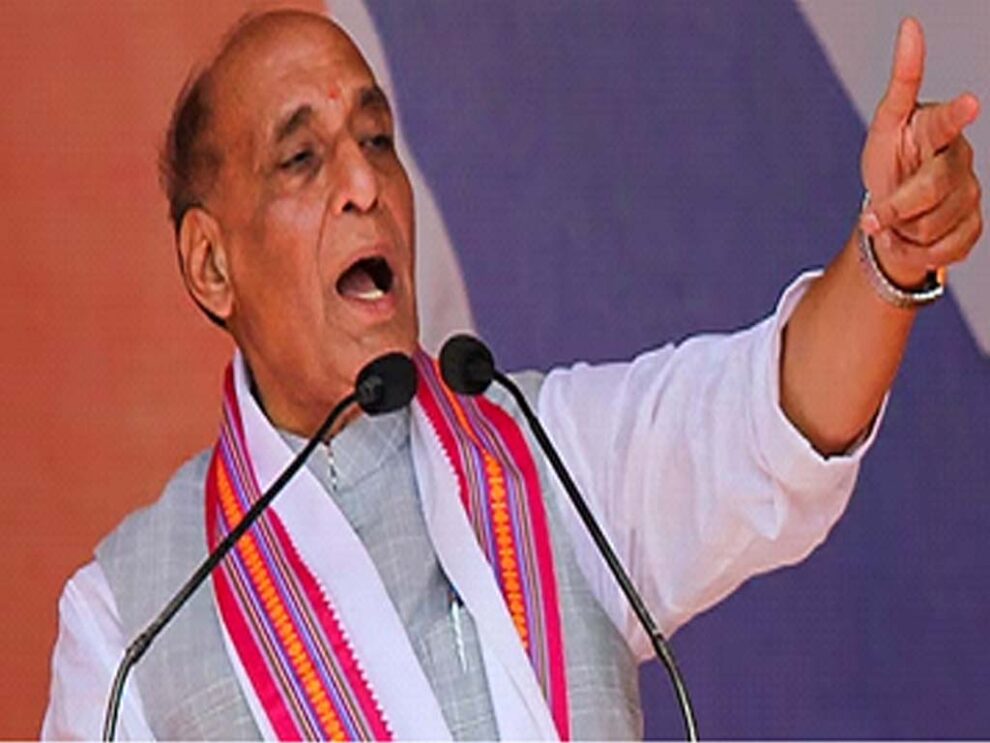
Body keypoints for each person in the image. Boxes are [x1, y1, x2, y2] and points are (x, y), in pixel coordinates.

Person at [42, 8, 981, 740]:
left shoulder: (550, 452)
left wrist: (889, 259)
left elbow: (768, 418)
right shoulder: (130, 626)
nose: (365, 185)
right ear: (211, 264)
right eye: (301, 158)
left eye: (377, 139)